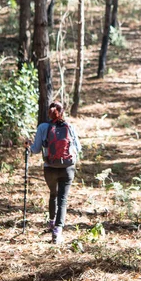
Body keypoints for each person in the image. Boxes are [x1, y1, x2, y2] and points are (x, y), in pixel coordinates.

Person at [25, 101, 81, 244]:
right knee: (63, 199)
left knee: (53, 194)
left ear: (49, 113)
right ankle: (57, 231)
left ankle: (51, 221)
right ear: (62, 112)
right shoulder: (70, 127)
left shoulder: (43, 127)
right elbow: (78, 148)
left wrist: (28, 146)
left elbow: (36, 149)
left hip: (49, 168)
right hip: (67, 168)